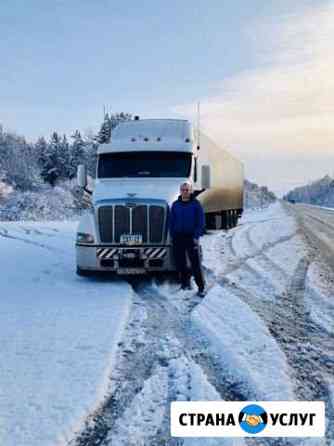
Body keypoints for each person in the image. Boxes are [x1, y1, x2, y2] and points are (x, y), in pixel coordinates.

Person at [168, 181, 207, 297]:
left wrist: (196, 236)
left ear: (190, 191)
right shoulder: (175, 205)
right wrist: (172, 234)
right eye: (183, 190)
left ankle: (201, 286)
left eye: (187, 190)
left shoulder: (196, 204)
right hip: (178, 237)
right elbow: (171, 221)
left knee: (195, 263)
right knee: (180, 263)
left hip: (191, 237)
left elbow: (201, 222)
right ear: (180, 191)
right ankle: (185, 284)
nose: (185, 192)